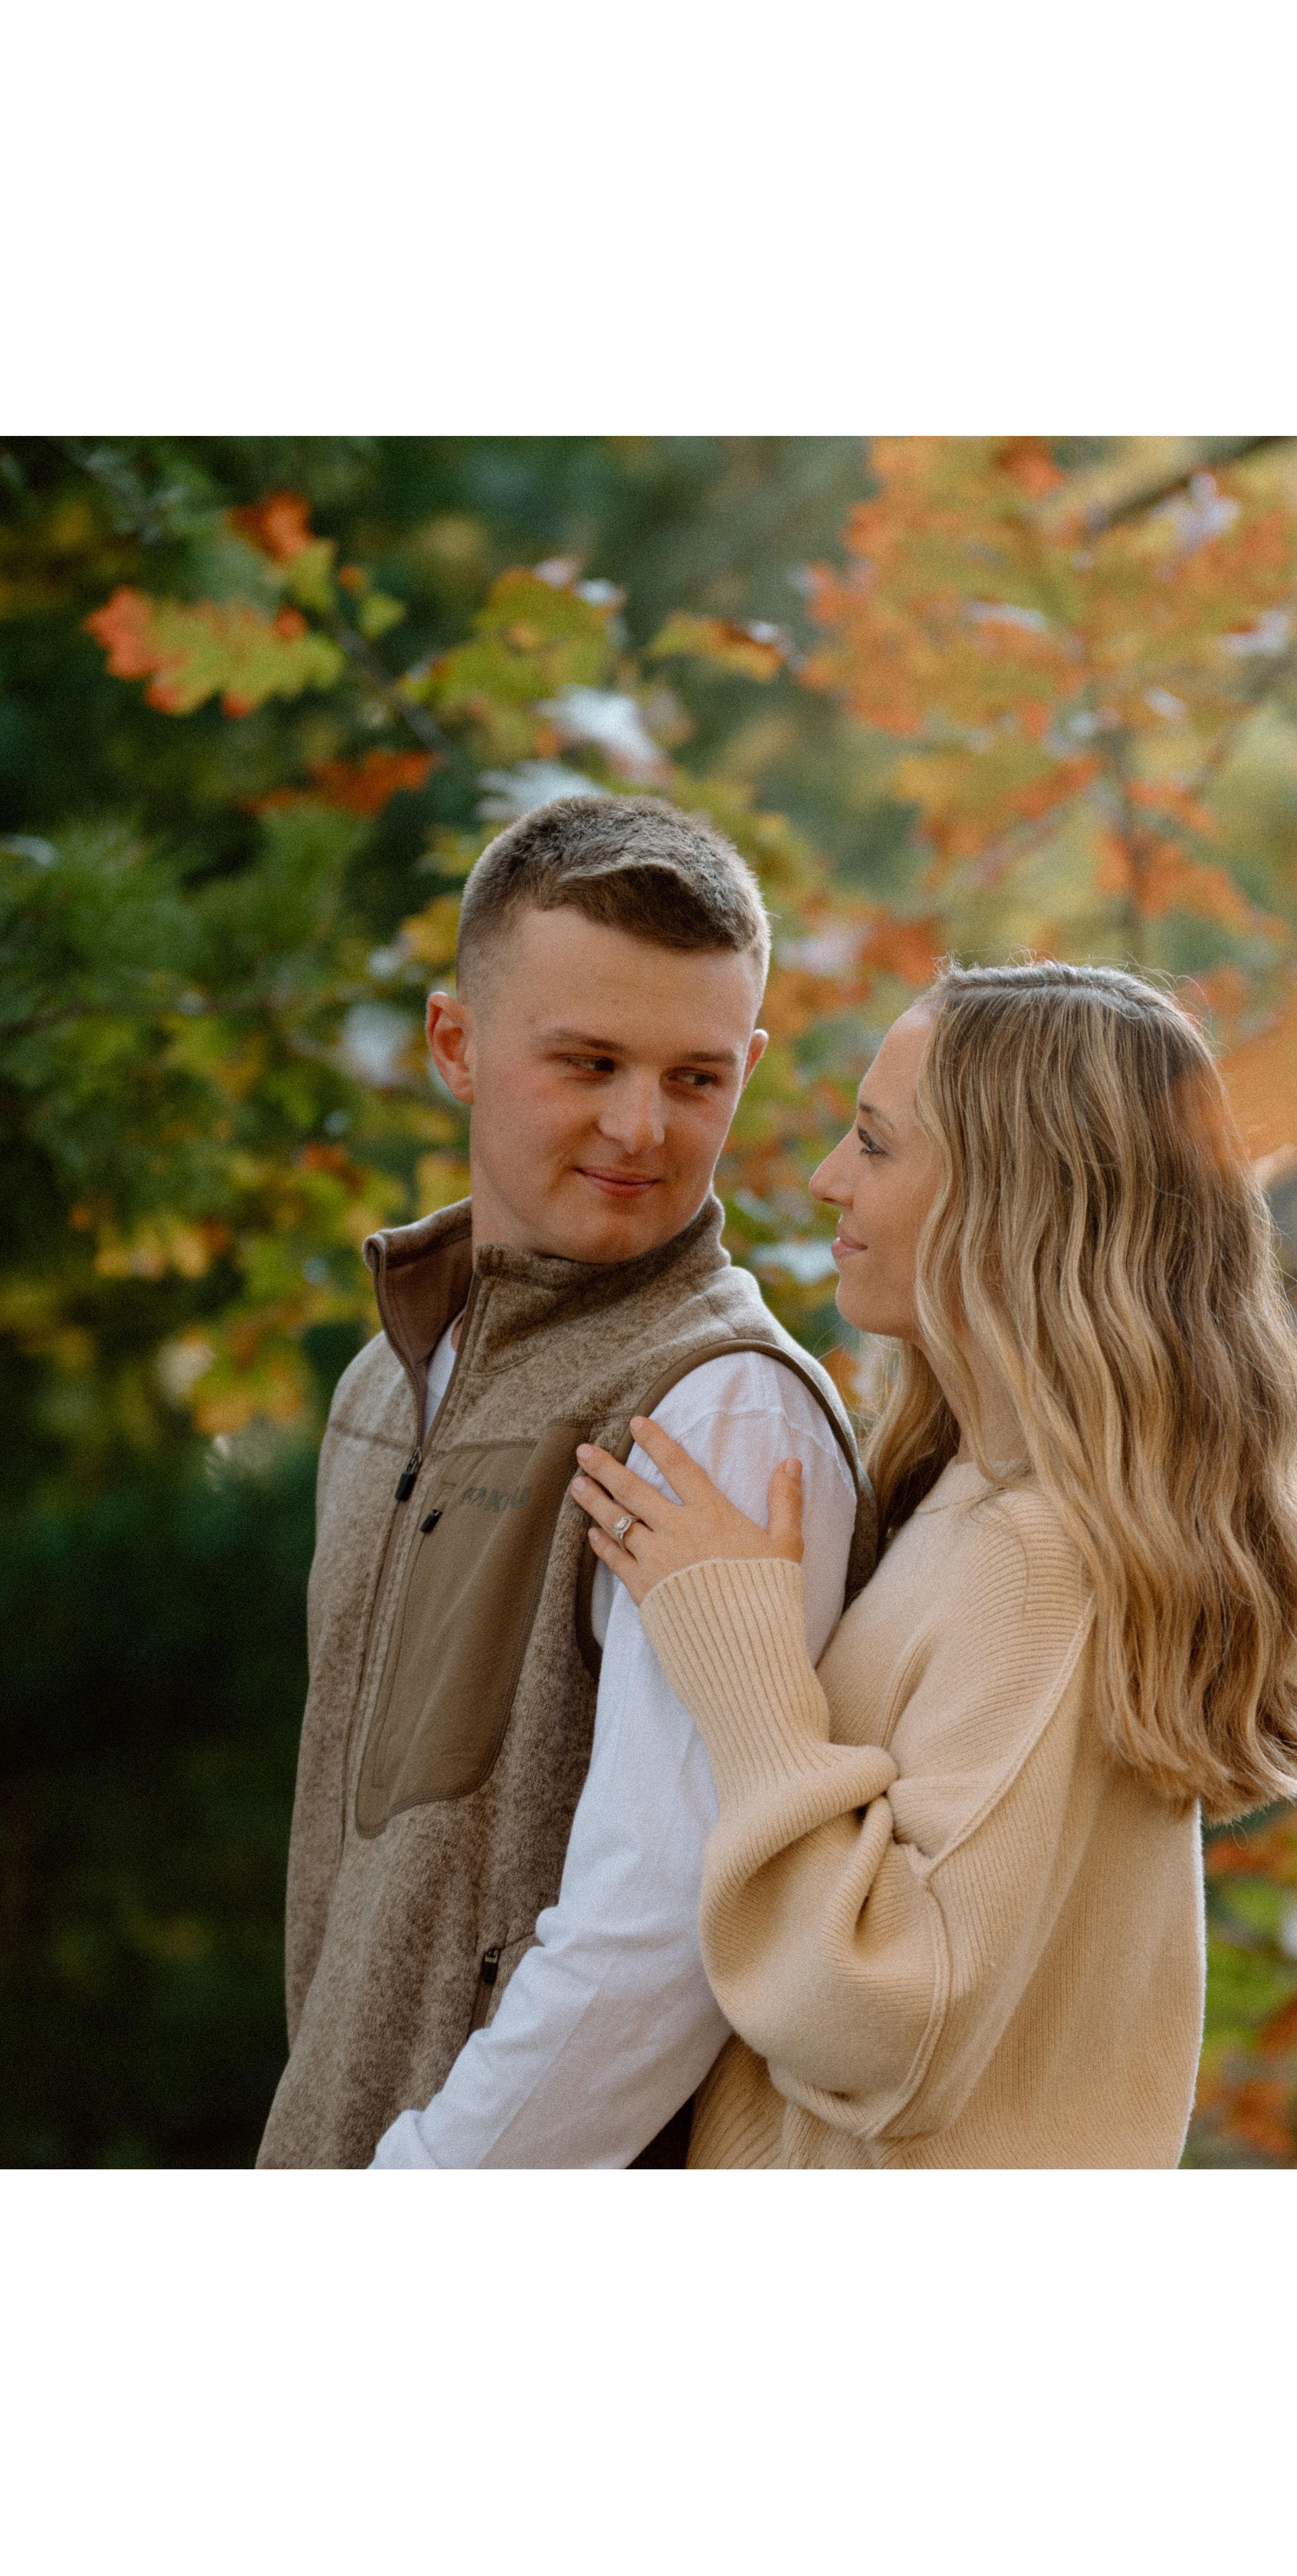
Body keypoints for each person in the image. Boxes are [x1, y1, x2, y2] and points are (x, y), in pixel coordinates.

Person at [564, 959, 1297, 2168]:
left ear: (1016, 1202)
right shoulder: (975, 1499)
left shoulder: (1039, 1562)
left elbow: (888, 2028)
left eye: (877, 1145)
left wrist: (743, 1657)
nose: (830, 1177)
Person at [257, 792, 874, 2170]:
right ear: (456, 1045)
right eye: (589, 1064)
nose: (641, 1127)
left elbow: (657, 1934)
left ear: (750, 1066)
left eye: (696, 1078)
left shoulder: (719, 1410)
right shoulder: (383, 1389)